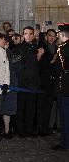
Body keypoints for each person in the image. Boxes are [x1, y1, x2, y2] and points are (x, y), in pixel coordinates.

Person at [14, 26, 44, 137]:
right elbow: (18, 63)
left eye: (31, 33)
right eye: (26, 33)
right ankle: (20, 129)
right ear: (23, 35)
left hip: (34, 82)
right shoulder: (18, 48)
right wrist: (38, 57)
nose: (28, 35)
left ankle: (29, 129)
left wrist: (39, 57)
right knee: (21, 107)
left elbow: (40, 66)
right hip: (22, 82)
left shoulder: (37, 47)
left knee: (31, 107)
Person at [51, 23, 69, 151]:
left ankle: (65, 143)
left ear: (62, 35)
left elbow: (59, 68)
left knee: (65, 116)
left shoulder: (62, 48)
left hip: (65, 86)